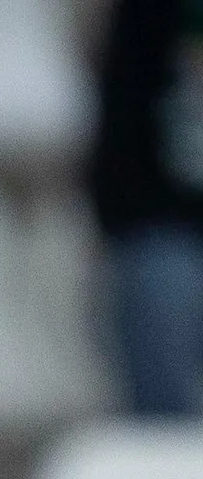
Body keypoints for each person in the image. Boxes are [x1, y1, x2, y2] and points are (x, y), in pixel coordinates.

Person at [90, 0, 203, 416]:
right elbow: (117, 152)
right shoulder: (151, 16)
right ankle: (169, 448)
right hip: (166, 229)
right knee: (163, 283)